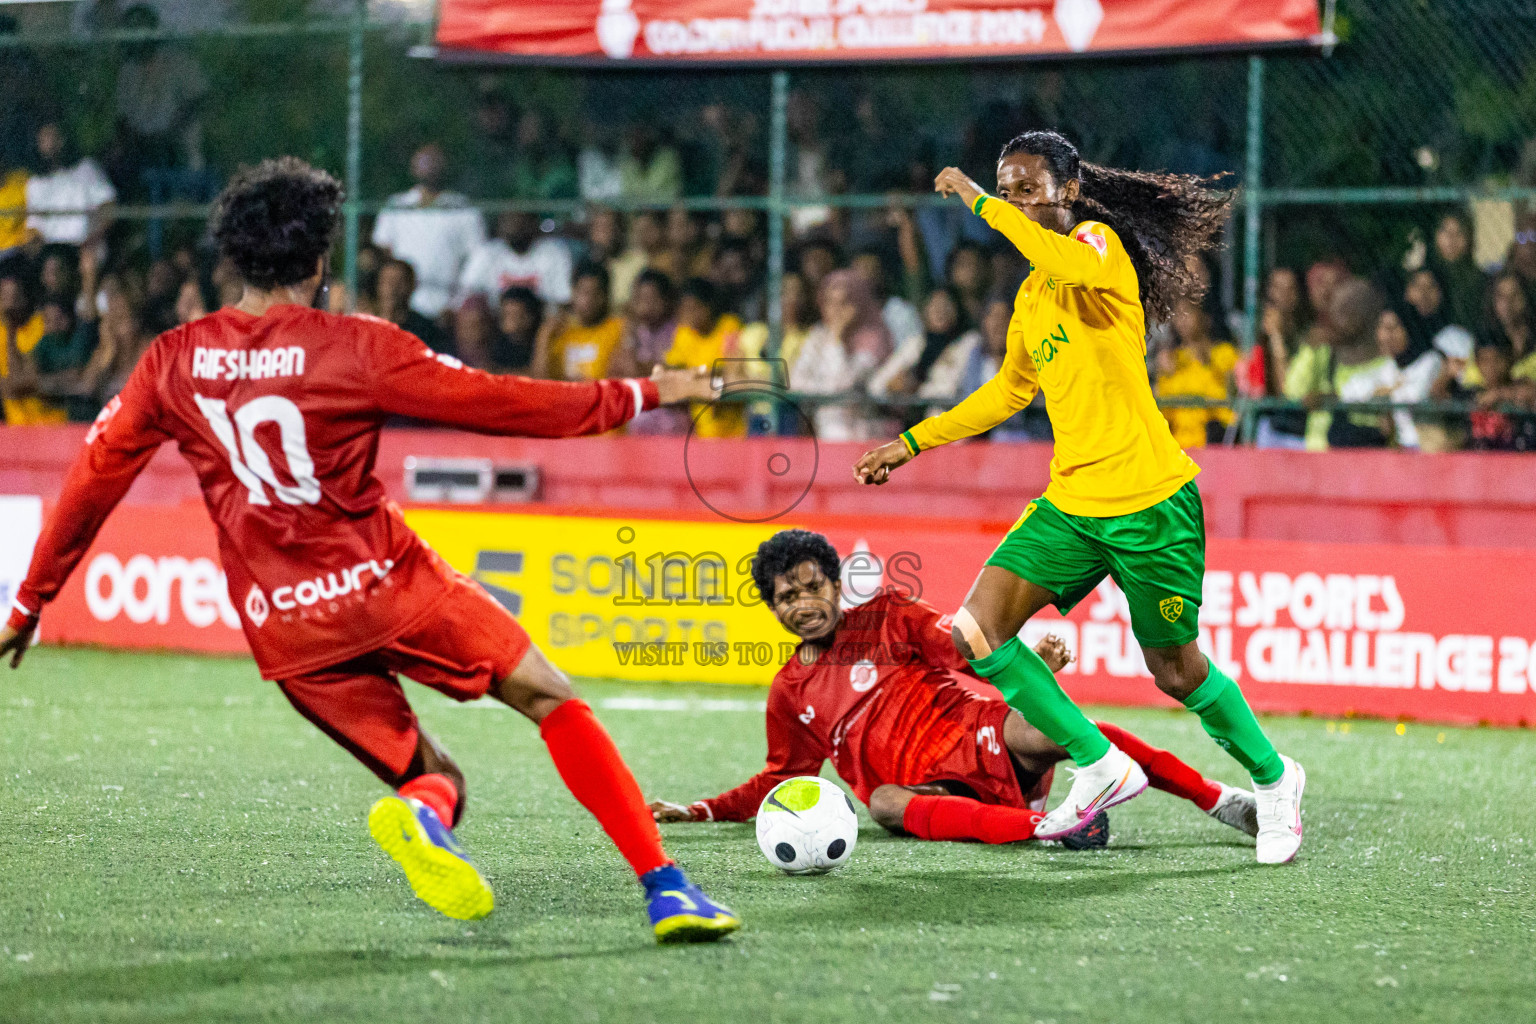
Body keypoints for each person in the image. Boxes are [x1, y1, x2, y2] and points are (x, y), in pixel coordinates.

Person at [0, 157, 738, 945]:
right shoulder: (355, 347)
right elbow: (503, 403)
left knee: (434, 774)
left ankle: (425, 812)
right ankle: (666, 889)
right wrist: (647, 392)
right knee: (550, 698)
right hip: (387, 583)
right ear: (320, 260)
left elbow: (93, 475)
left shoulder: (173, 359)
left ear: (233, 258)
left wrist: (29, 600)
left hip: (284, 624)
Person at [851, 131, 1304, 864]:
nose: (1014, 199)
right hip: (1073, 502)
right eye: (1006, 185)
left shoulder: (1095, 247)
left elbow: (1055, 253)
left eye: (1027, 186)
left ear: (1066, 190)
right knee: (977, 629)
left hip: (1151, 500)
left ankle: (1276, 782)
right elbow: (1007, 391)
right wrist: (912, 442)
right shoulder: (1032, 296)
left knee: (1174, 670)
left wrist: (977, 199)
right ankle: (1099, 765)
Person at [649, 531, 1259, 849]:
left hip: (981, 736)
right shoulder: (789, 690)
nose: (804, 604)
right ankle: (1044, 829)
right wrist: (702, 809)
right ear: (773, 607)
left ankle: (1219, 799)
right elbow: (782, 777)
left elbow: (963, 645)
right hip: (924, 790)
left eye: (813, 587)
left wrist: (1031, 663)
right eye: (787, 596)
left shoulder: (889, 614)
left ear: (837, 586)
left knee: (1060, 730)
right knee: (882, 803)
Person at [371, 144, 485, 320]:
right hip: (402, 311)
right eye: (423, 159)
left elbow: (477, 260)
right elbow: (383, 253)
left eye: (435, 159)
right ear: (413, 165)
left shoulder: (464, 209)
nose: (430, 165)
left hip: (447, 311)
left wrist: (456, 304)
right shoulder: (395, 205)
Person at [665, 277, 745, 438]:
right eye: (686, 309)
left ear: (709, 306)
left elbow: (728, 373)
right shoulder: (684, 333)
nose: (691, 315)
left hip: (734, 431)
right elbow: (672, 370)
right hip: (701, 431)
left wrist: (692, 377)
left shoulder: (729, 326)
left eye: (696, 308)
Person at [1154, 299, 1239, 449]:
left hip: (1215, 446)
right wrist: (1166, 375)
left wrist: (1207, 363)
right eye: (1178, 315)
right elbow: (1163, 413)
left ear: (1205, 318)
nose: (1182, 320)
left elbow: (1228, 409)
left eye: (1188, 313)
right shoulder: (1172, 360)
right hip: (1179, 447)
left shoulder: (1225, 354)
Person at [25, 122, 117, 257]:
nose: (49, 144)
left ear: (64, 139)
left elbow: (109, 206)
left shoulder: (87, 169)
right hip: (52, 252)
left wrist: (94, 237)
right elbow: (34, 226)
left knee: (89, 260)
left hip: (85, 244)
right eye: (43, 139)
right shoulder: (35, 183)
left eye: (53, 136)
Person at [536, 261, 623, 382]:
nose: (588, 300)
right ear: (573, 292)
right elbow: (539, 382)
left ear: (604, 297)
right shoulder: (557, 331)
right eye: (583, 292)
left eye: (595, 293)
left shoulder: (618, 329)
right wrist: (543, 337)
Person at [375, 258, 450, 356]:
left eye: (399, 282)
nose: (392, 288)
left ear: (412, 286)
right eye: (387, 281)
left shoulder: (427, 331)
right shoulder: (365, 327)